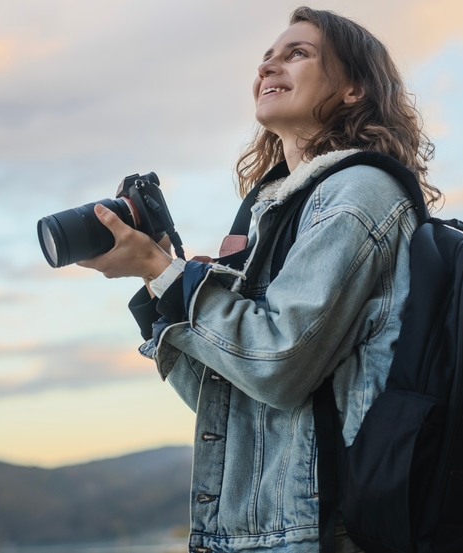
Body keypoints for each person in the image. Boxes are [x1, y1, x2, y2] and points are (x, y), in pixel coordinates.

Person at [78, 6, 440, 553]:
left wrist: (161, 270)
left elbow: (277, 367)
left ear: (353, 89)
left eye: (298, 54)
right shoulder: (274, 212)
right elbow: (231, 398)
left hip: (323, 534)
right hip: (262, 533)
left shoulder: (358, 192)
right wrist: (161, 281)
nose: (268, 67)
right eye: (266, 58)